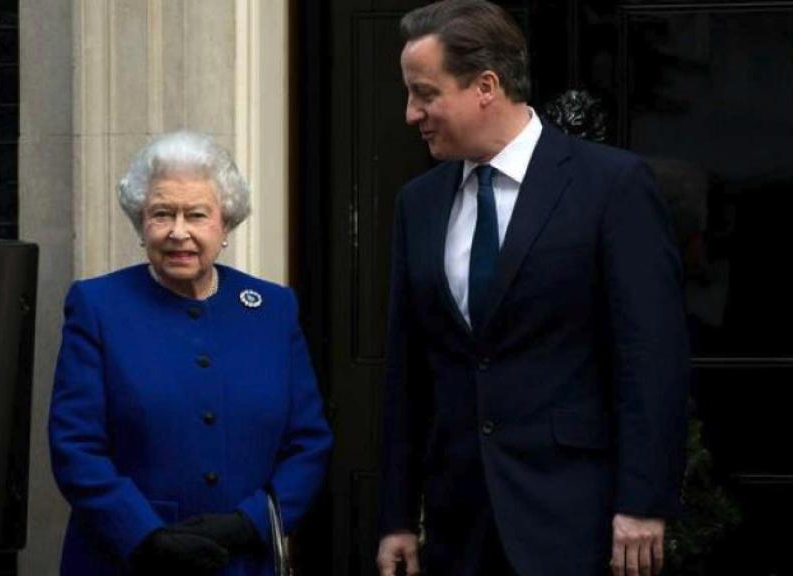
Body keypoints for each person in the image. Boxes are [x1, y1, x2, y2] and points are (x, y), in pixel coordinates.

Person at [376, 2, 689, 576]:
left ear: (486, 86)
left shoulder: (611, 186)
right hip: (458, 523)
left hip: (577, 518)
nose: (410, 113)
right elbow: (407, 373)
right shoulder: (416, 204)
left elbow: (651, 358)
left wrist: (643, 502)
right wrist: (397, 515)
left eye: (424, 93)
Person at [50, 131, 332, 575]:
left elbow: (308, 442)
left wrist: (250, 523)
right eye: (162, 214)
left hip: (241, 561)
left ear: (225, 224)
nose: (178, 232)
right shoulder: (98, 306)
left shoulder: (273, 309)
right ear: (141, 224)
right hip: (127, 560)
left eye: (196, 215)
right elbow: (75, 447)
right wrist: (143, 535)